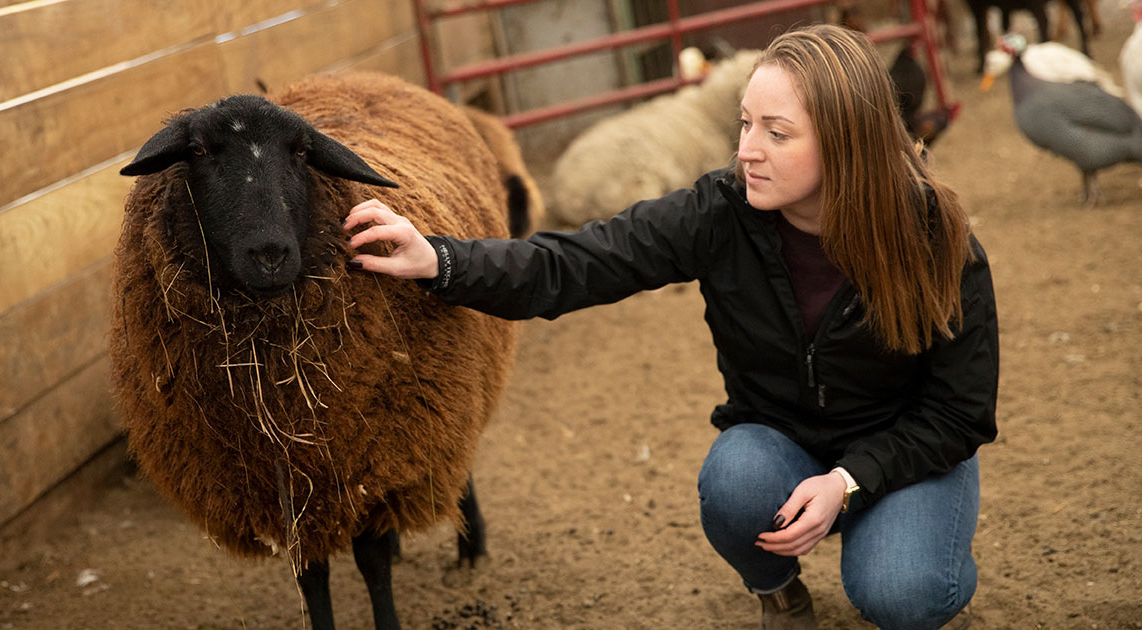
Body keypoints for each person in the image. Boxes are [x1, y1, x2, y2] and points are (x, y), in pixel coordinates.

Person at [342, 23, 997, 630]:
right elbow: (575, 264)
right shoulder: (720, 214)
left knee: (901, 592)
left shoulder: (936, 241)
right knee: (734, 480)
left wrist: (849, 482)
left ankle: (914, 541)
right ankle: (776, 585)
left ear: (845, 139)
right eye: (744, 125)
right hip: (787, 438)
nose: (746, 151)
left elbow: (960, 414)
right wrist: (440, 258)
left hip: (903, 448)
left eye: (776, 132)